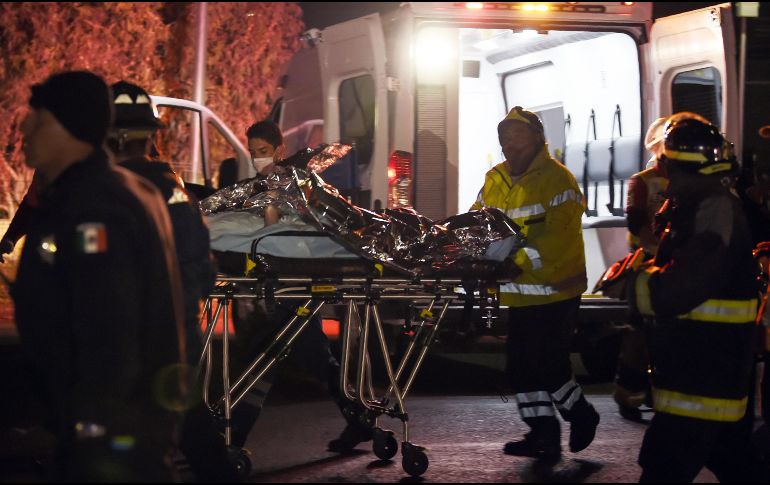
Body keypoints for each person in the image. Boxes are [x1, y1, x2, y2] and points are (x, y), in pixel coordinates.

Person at [11, 70, 186, 481]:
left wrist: (87, 430)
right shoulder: (89, 193)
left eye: (37, 117)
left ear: (66, 127)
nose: (24, 127)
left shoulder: (96, 206)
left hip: (110, 440)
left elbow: (111, 335)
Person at [105, 80, 238, 481]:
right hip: (169, 338)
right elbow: (202, 265)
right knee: (186, 426)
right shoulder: (173, 190)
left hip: (123, 342)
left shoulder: (104, 192)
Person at [625, 117, 769, 482]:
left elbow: (687, 285)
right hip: (707, 366)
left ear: (674, 165)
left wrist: (637, 284)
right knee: (736, 462)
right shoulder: (703, 202)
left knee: (664, 468)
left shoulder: (713, 208)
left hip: (702, 371)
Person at [219, 120, 374, 454]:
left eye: (262, 152)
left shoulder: (292, 184)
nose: (257, 158)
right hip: (287, 283)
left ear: (279, 150)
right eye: (252, 152)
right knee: (309, 357)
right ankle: (360, 419)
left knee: (265, 357)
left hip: (297, 283)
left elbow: (277, 232)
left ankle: (233, 439)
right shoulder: (267, 185)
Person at [471, 106, 599, 461]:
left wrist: (514, 264)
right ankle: (543, 434)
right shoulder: (494, 178)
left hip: (556, 291)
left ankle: (582, 415)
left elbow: (556, 240)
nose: (510, 141)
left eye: (518, 134)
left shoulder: (559, 180)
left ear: (538, 139)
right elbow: (477, 224)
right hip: (521, 295)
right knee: (521, 369)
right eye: (505, 135)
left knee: (550, 366)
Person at [614, 112, 710, 422]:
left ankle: (660, 393)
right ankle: (630, 394)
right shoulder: (642, 181)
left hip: (678, 267)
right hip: (651, 265)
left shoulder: (700, 182)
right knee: (638, 335)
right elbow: (636, 222)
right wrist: (660, 250)